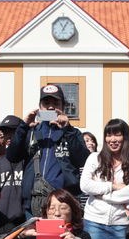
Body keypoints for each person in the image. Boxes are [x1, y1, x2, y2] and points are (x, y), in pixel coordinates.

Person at [6, 84, 90, 217]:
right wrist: (23, 126)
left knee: (63, 238)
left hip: (63, 204)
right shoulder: (30, 131)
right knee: (36, 238)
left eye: (56, 103)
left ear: (63, 106)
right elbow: (12, 156)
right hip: (34, 203)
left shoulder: (72, 133)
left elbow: (83, 160)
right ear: (40, 107)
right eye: (46, 103)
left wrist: (67, 129)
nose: (51, 107)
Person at [81, 119, 129, 239]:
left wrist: (102, 196)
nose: (112, 139)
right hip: (94, 220)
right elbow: (85, 186)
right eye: (109, 135)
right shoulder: (94, 158)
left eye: (117, 135)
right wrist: (112, 186)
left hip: (121, 223)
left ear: (125, 137)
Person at [0, 116, 24, 222]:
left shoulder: (29, 158)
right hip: (3, 218)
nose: (9, 136)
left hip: (24, 218)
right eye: (5, 133)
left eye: (12, 131)